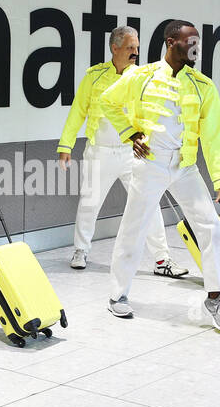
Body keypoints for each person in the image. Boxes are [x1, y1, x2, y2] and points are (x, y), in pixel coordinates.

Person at [99, 20, 220, 333]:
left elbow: (214, 137)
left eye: (198, 44)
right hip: (150, 164)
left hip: (185, 166)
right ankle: (118, 294)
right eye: (190, 43)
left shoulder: (203, 86)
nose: (196, 49)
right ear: (171, 41)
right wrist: (130, 133)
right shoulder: (141, 77)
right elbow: (108, 100)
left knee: (209, 225)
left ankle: (214, 298)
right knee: (134, 227)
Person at [57, 27, 188, 278]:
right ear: (114, 48)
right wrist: (66, 146)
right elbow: (78, 112)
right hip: (100, 152)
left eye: (137, 47)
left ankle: (162, 259)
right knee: (89, 203)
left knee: (149, 203)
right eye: (130, 47)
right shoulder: (94, 76)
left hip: (133, 153)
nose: (135, 52)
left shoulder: (140, 77)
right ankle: (81, 251)